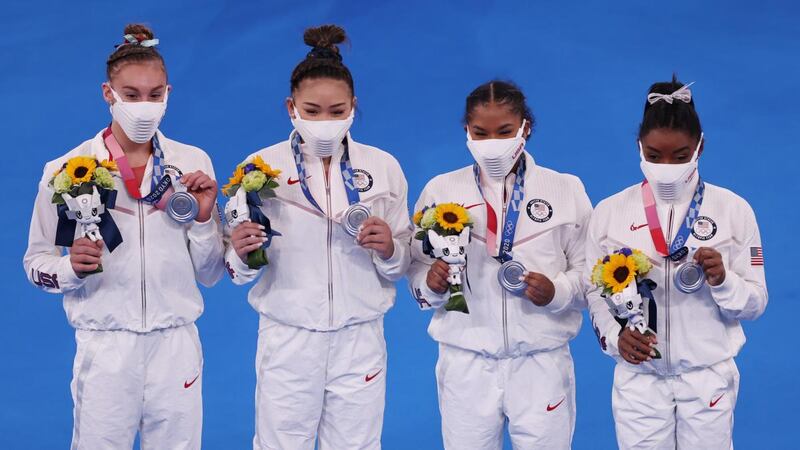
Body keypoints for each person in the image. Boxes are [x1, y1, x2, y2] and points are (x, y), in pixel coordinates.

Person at [23, 24, 224, 449]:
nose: (144, 106)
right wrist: (69, 268)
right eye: (131, 95)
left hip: (176, 343)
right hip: (106, 346)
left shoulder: (192, 162)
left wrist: (205, 221)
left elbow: (209, 274)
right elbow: (36, 263)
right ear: (107, 93)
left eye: (155, 95)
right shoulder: (66, 169)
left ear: (169, 92)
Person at [224, 24, 411, 450]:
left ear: (353, 107)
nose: (324, 122)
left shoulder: (383, 168)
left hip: (359, 335)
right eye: (312, 111)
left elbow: (403, 262)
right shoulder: (257, 169)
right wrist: (238, 252)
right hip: (289, 335)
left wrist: (390, 248)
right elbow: (233, 271)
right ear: (291, 107)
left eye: (336, 111)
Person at [407, 80, 592, 449]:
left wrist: (558, 292)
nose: (492, 142)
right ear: (467, 132)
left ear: (526, 127)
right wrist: (431, 283)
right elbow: (414, 268)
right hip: (466, 361)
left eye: (504, 131)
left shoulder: (564, 189)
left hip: (541, 361)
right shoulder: (441, 191)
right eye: (481, 133)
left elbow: (591, 273)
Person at [586, 76, 768, 449]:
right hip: (639, 378)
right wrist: (614, 337)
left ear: (700, 148)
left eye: (680, 156)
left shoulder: (734, 211)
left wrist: (724, 281)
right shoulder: (609, 213)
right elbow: (593, 292)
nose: (666, 166)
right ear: (639, 147)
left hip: (706, 377)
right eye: (654, 156)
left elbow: (755, 303)